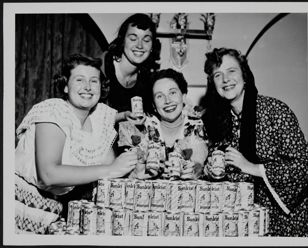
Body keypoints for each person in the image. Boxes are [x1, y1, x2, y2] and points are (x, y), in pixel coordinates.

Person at [15, 54, 137, 234]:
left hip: (53, 211)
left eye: (94, 81)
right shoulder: (53, 111)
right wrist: (113, 169)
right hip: (18, 204)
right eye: (79, 80)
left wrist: (134, 171)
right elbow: (48, 174)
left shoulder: (97, 119)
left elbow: (107, 168)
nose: (88, 87)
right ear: (65, 86)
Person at [201, 47, 308, 237]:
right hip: (245, 221)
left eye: (231, 71)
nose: (225, 79)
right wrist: (212, 171)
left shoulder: (275, 111)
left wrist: (251, 167)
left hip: (287, 221)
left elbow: (304, 166)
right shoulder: (219, 122)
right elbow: (229, 174)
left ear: (245, 75)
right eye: (218, 75)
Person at [118, 68, 208, 180]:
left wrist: (192, 170)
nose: (167, 101)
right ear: (154, 105)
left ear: (183, 96)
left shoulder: (196, 125)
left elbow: (198, 163)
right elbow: (126, 171)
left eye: (173, 92)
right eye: (159, 96)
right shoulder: (142, 127)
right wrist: (136, 172)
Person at [101, 13, 160, 123]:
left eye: (146, 40)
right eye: (133, 38)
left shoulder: (147, 79)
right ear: (122, 41)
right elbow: (89, 118)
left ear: (152, 47)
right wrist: (122, 116)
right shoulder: (102, 68)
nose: (140, 45)